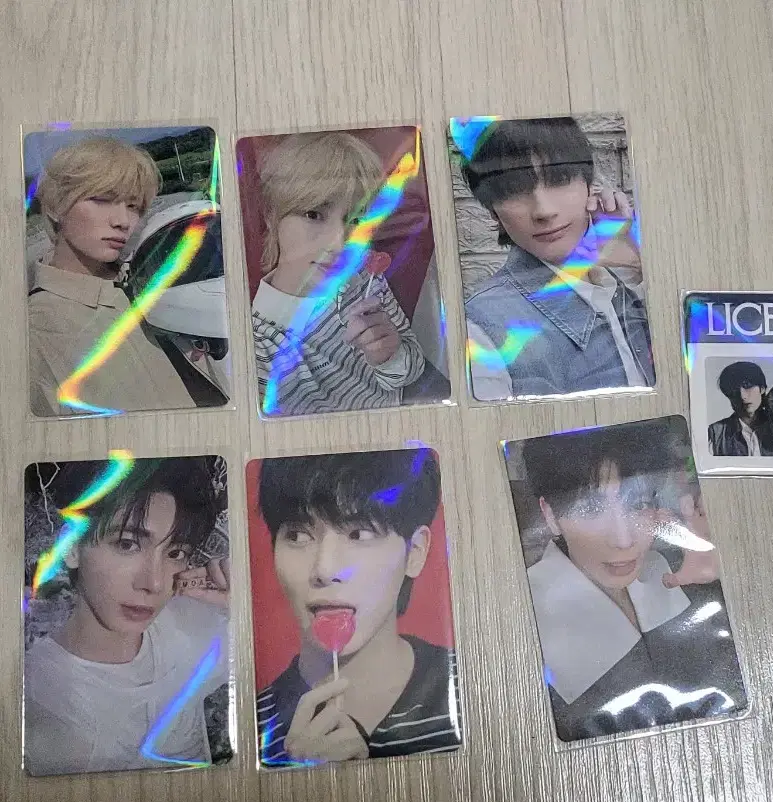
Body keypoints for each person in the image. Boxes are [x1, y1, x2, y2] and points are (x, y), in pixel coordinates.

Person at [518, 419, 746, 741]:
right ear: (550, 515)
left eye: (638, 504)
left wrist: (728, 574)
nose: (624, 540)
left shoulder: (684, 568)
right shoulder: (523, 623)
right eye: (590, 507)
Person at [23, 457, 230, 776]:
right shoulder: (36, 695)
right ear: (72, 545)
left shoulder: (191, 626)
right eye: (127, 544)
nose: (154, 583)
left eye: (175, 553)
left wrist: (245, 603)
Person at [255, 450, 460, 765]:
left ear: (415, 552)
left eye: (359, 533)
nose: (325, 569)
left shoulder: (476, 687)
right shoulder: (240, 725)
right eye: (297, 535)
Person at [458, 116, 655, 400]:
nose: (544, 210)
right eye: (514, 191)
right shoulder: (480, 328)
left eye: (559, 180)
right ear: (493, 211)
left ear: (589, 185)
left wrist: (638, 261)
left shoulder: (629, 282)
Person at [251, 132, 425, 416]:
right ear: (272, 216)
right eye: (313, 214)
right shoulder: (258, 345)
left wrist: (390, 356)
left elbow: (410, 370)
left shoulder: (364, 280)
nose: (338, 244)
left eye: (356, 219)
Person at [28, 136, 198, 416]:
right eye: (102, 200)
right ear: (57, 207)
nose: (122, 222)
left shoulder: (150, 276)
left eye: (133, 206)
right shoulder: (36, 330)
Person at [708, 361, 773, 456]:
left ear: (762, 388)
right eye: (734, 390)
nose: (743, 396)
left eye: (747, 386)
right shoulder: (715, 434)